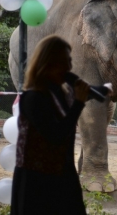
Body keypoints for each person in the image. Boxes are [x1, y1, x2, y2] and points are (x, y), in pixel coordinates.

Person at [10, 34, 94, 215]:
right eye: (64, 62)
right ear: (48, 64)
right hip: (37, 184)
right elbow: (56, 135)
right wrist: (78, 103)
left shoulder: (59, 94)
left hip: (62, 178)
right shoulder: (33, 97)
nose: (70, 67)